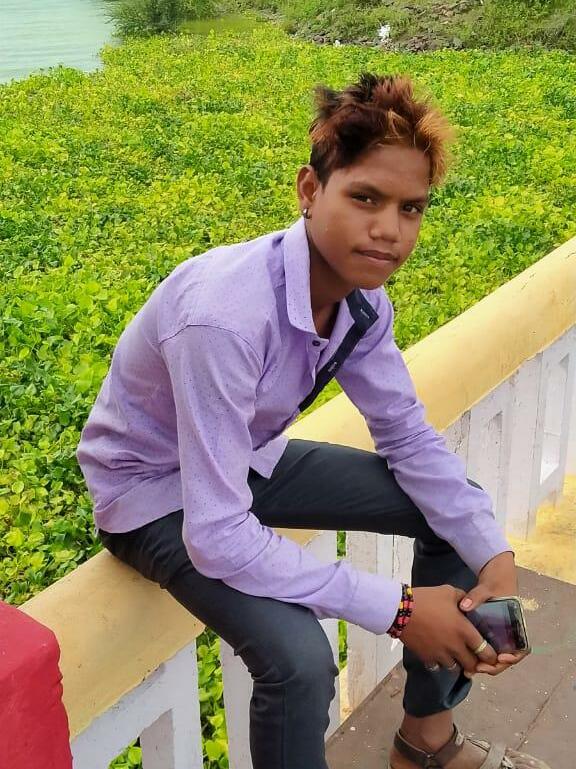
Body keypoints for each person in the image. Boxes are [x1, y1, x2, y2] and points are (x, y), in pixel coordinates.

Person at [76, 73, 549, 769]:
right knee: (298, 661)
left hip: (244, 458)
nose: (389, 230)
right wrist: (400, 609)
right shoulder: (223, 318)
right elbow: (216, 533)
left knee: (453, 515)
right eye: (365, 197)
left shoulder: (361, 304)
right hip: (150, 495)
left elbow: (406, 433)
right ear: (309, 189)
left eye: (411, 208)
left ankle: (425, 740)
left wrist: (494, 557)